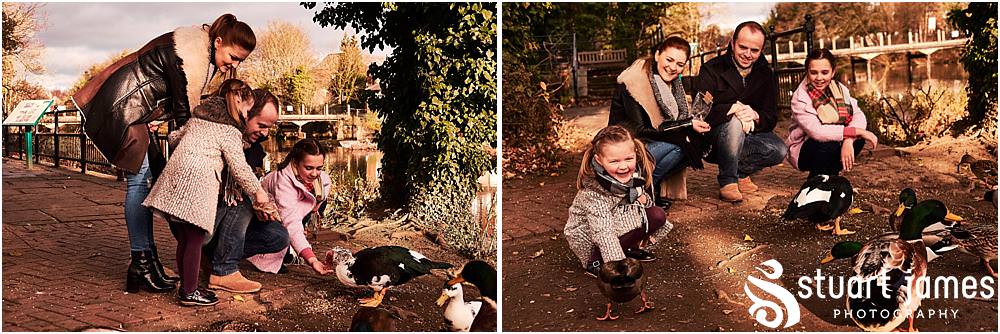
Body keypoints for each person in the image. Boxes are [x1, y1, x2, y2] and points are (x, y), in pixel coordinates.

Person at [71, 14, 256, 293]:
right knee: (138, 182)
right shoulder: (188, 56)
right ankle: (141, 263)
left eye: (240, 60)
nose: (234, 64)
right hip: (125, 111)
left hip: (134, 113)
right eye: (233, 56)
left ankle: (147, 262)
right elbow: (184, 113)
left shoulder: (195, 51)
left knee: (144, 181)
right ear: (218, 42)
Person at [142, 80, 277, 306]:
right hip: (198, 187)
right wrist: (259, 193)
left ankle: (187, 286)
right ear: (237, 102)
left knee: (185, 240)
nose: (246, 114)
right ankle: (190, 291)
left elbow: (174, 138)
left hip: (177, 184)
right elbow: (240, 168)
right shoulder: (230, 132)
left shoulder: (199, 119)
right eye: (247, 109)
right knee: (194, 240)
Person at [609, 36, 711, 208]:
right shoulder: (634, 82)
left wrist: (691, 124)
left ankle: (646, 188)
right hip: (625, 148)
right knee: (683, 143)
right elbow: (639, 130)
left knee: (696, 142)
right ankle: (637, 189)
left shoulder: (672, 85)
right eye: (669, 60)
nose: (673, 68)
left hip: (649, 143)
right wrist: (687, 125)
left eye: (679, 64)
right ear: (657, 55)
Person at [694, 21, 788, 203]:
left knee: (779, 150)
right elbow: (699, 113)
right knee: (734, 121)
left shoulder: (765, 73)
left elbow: (771, 117)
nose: (747, 54)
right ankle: (728, 181)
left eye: (754, 50)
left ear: (761, 50)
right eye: (742, 47)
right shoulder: (712, 69)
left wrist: (755, 115)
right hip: (715, 138)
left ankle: (740, 172)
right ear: (732, 43)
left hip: (750, 133)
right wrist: (732, 109)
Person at [204, 88, 286, 293]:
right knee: (243, 201)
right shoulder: (219, 139)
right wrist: (254, 198)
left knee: (278, 236)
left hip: (225, 218)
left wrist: (263, 209)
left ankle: (212, 258)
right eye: (261, 125)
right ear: (245, 114)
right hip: (202, 217)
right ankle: (224, 270)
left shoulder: (255, 148)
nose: (266, 133)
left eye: (270, 127)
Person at [563, 125, 673, 277]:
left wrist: (644, 201)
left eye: (628, 159)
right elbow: (603, 233)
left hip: (616, 222)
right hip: (589, 236)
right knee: (609, 234)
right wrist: (620, 267)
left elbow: (642, 203)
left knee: (656, 214)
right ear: (599, 160)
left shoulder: (633, 176)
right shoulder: (594, 192)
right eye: (614, 161)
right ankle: (595, 261)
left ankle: (627, 248)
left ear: (635, 153)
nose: (623, 166)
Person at [246, 139, 333, 276]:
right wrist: (312, 260)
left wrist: (315, 208)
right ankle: (264, 252)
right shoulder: (282, 182)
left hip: (289, 210)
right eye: (309, 168)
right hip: (262, 215)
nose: (315, 174)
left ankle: (292, 247)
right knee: (282, 236)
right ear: (295, 163)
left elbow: (325, 188)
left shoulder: (322, 180)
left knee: (315, 201)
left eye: (319, 168)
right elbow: (291, 222)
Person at [787, 48, 878, 178]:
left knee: (858, 140)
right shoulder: (800, 97)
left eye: (825, 72)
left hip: (834, 139)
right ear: (807, 72)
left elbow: (858, 114)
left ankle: (831, 175)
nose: (819, 78)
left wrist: (848, 140)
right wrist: (855, 132)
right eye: (813, 73)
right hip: (805, 148)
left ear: (833, 72)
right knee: (829, 145)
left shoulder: (839, 89)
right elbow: (817, 132)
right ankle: (816, 178)